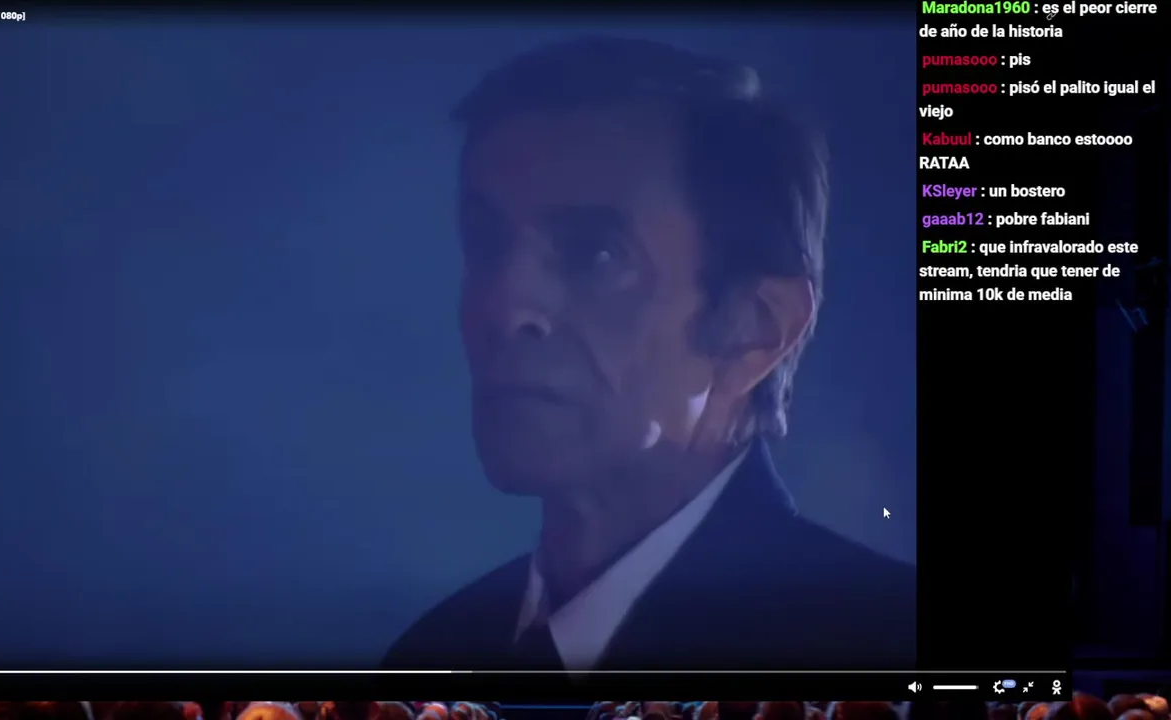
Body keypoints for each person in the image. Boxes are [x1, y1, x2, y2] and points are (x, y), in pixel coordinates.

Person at [382, 34, 914, 672]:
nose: (502, 305)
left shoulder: (889, 648)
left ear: (757, 326)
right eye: (486, 243)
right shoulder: (431, 658)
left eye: (597, 254)